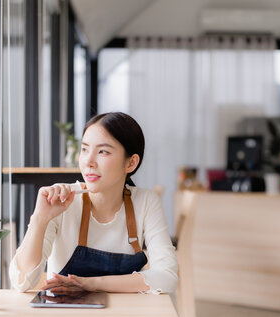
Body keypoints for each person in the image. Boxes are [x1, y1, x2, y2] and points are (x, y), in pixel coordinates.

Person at [9, 112, 178, 295]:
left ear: (131, 163)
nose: (88, 161)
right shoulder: (62, 201)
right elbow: (22, 282)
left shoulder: (145, 202)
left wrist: (93, 283)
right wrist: (40, 218)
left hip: (124, 316)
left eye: (103, 151)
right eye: (84, 149)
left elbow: (167, 276)